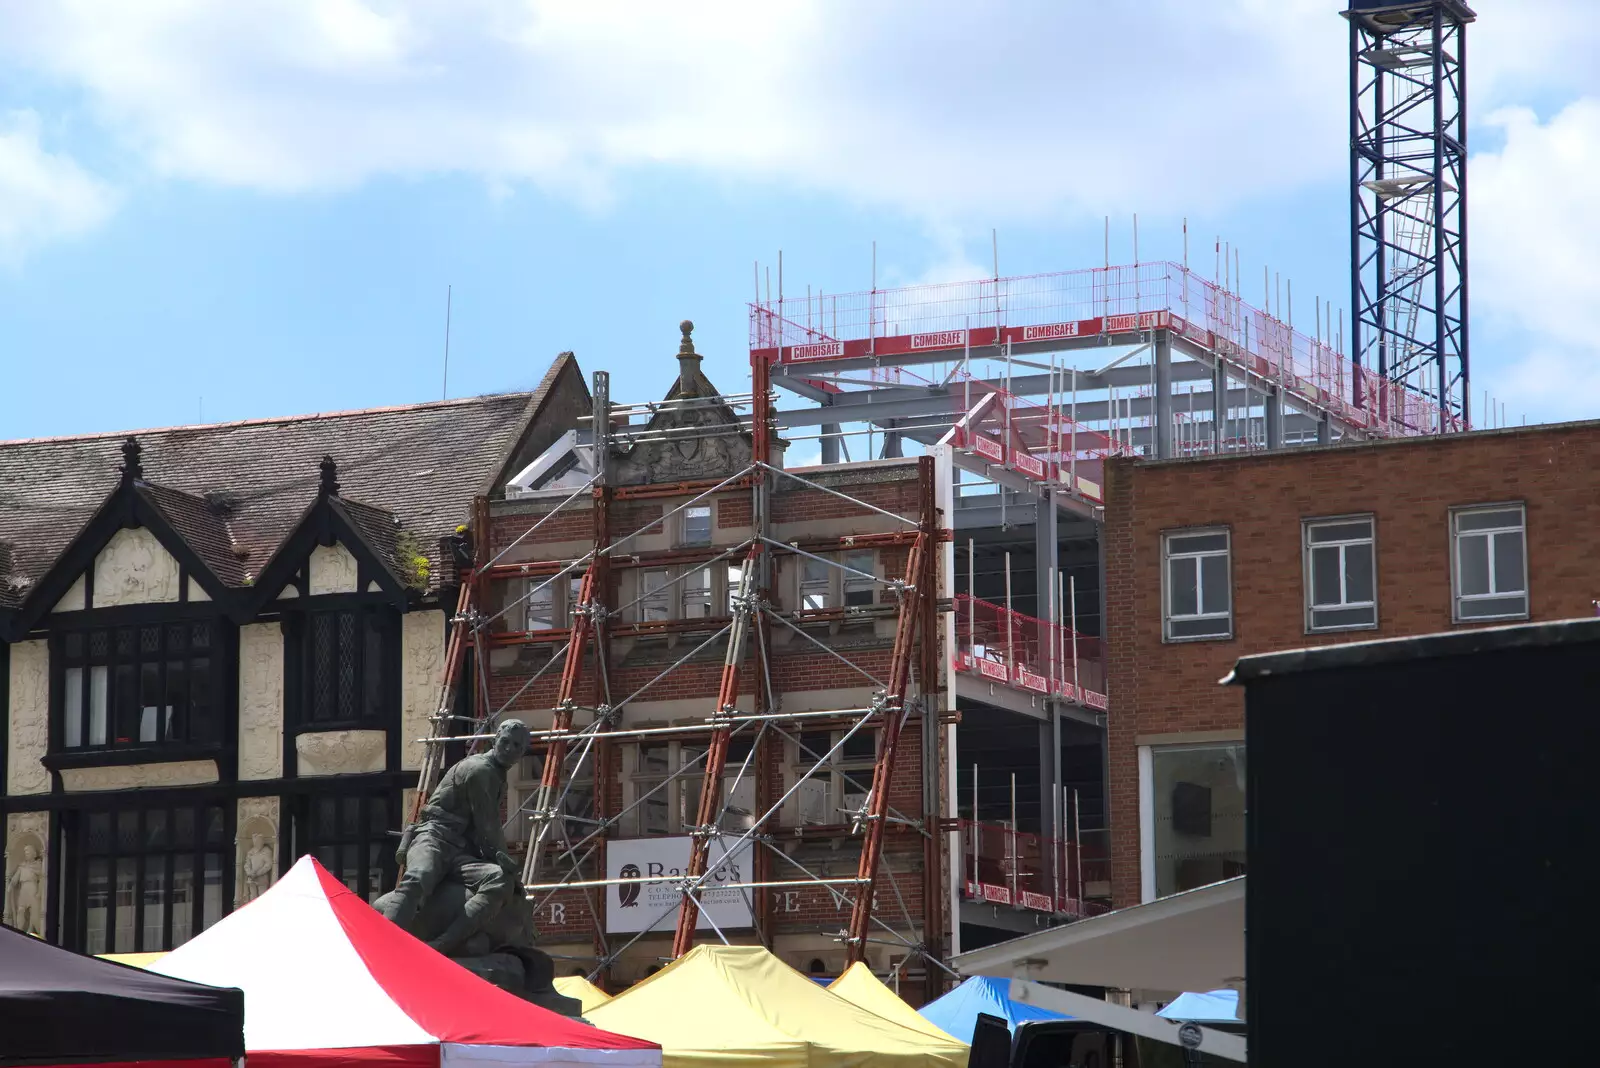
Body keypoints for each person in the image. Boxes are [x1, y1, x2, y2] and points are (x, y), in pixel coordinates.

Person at [377, 719, 532, 955]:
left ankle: (442, 945)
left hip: (460, 851)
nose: (510, 749)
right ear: (495, 739)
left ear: (522, 753)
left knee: (498, 879)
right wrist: (507, 863)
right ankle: (380, 944)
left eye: (517, 746)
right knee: (420, 876)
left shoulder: (498, 776)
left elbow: (484, 831)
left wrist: (506, 873)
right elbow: (488, 826)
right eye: (506, 742)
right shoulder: (480, 770)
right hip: (434, 837)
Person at [5, 843, 42, 936]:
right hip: (23, 889)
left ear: (34, 853)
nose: (26, 853)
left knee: (33, 911)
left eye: (28, 852)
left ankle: (31, 929)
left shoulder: (38, 865)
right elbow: (15, 878)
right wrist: (11, 885)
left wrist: (40, 891)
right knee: (20, 910)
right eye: (25, 852)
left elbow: (43, 878)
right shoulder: (22, 866)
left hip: (32, 888)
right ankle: (19, 930)